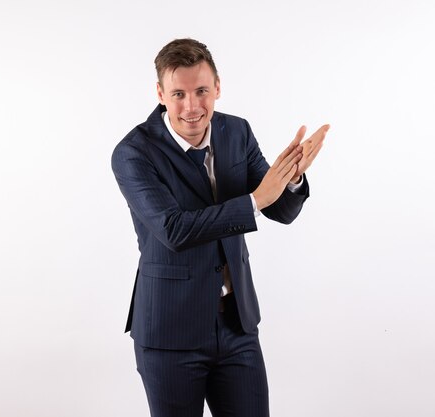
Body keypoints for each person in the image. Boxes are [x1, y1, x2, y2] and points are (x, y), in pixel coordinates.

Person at [111, 38, 330, 417]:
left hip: (237, 324)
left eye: (201, 91)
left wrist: (292, 177)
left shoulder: (236, 132)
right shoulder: (133, 153)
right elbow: (175, 229)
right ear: (160, 94)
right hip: (170, 332)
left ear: (217, 88)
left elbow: (280, 208)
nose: (192, 106)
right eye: (178, 93)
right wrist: (256, 200)